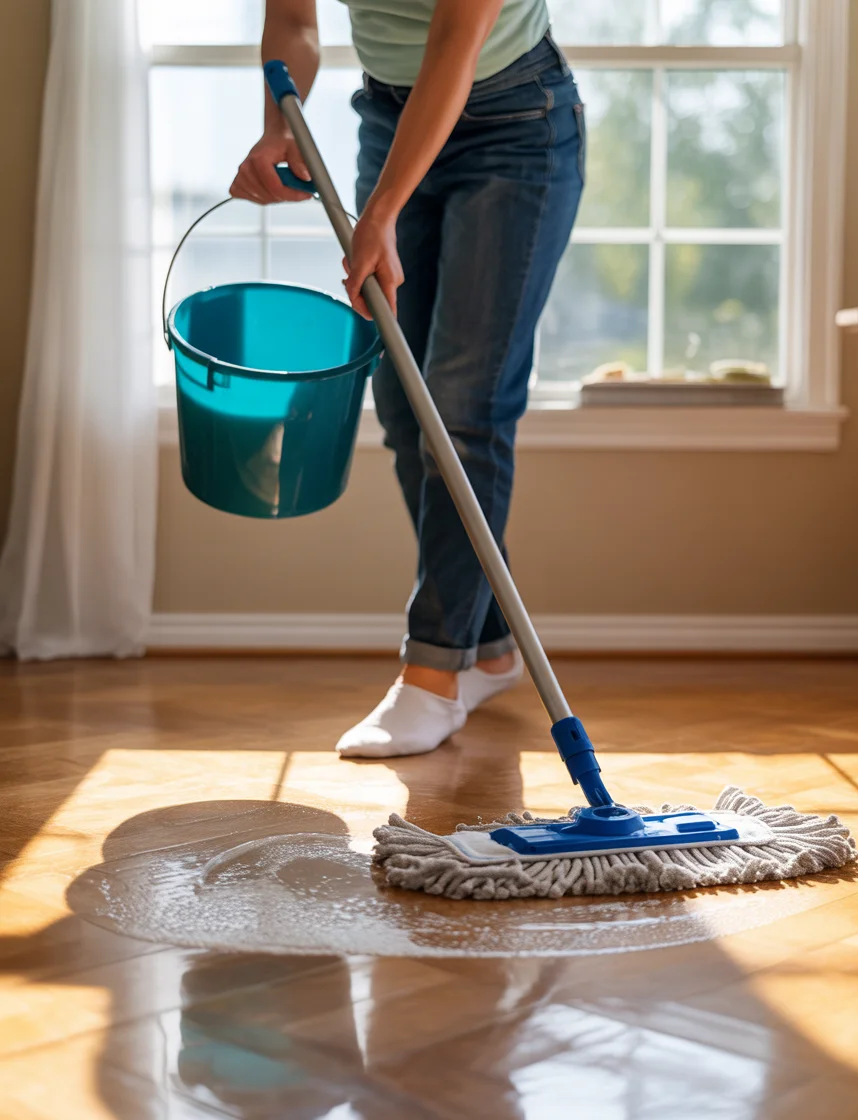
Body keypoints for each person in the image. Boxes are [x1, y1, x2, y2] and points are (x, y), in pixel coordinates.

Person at [232, 0, 584, 759]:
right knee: (400, 403)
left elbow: (458, 39)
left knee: (462, 404)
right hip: (388, 117)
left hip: (513, 122)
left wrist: (382, 209)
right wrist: (277, 125)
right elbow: (294, 19)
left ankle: (433, 673)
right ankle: (487, 648)